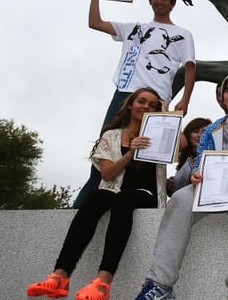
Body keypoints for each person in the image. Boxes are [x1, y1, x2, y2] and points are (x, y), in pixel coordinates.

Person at [134, 73, 228, 300]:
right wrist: (196, 175)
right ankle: (159, 284)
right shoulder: (212, 130)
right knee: (181, 198)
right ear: (221, 98)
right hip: (212, 187)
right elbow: (199, 161)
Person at [27, 88, 165, 300]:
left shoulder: (159, 134)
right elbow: (107, 174)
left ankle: (103, 282)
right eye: (141, 101)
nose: (145, 106)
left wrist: (166, 117)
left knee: (124, 198)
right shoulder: (111, 136)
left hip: (144, 194)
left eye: (152, 104)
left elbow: (182, 143)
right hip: (113, 190)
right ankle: (60, 277)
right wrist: (130, 154)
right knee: (95, 197)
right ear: (131, 104)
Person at [74, 0, 197, 208]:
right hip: (125, 94)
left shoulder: (183, 34)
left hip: (157, 99)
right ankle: (85, 205)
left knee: (152, 154)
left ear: (172, 4)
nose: (160, 2)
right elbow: (95, 22)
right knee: (107, 148)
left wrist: (185, 98)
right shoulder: (134, 28)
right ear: (150, 1)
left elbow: (190, 66)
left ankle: (151, 201)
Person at [166, 117, 212, 195]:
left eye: (204, 132)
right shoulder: (186, 159)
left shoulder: (211, 159)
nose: (199, 135)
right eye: (195, 131)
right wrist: (172, 183)